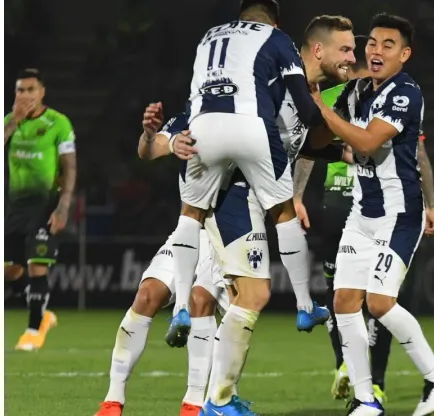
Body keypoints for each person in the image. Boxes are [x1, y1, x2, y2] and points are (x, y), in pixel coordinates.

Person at [199, 12, 362, 416]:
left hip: (260, 198)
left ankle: (219, 399)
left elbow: (309, 146)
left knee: (247, 297)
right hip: (232, 193)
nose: (352, 57)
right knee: (242, 296)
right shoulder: (271, 81)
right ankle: (212, 402)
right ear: (318, 49)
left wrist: (344, 136)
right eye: (345, 50)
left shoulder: (314, 97)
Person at [310, 13, 434, 416]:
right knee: (344, 302)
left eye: (387, 45)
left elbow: (369, 142)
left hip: (399, 215)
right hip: (362, 213)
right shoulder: (355, 90)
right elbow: (321, 136)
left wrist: (322, 110)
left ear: (404, 55)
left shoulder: (406, 92)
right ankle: (366, 399)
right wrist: (309, 106)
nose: (375, 50)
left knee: (378, 303)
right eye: (371, 43)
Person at [164, 0, 330, 351]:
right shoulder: (277, 37)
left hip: (202, 127)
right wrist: (325, 128)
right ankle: (304, 306)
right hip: (252, 125)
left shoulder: (208, 37)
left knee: (190, 214)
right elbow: (302, 100)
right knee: (283, 213)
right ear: (275, 17)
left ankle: (179, 308)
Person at [94, 108, 233, 416]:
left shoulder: (249, 112)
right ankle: (112, 401)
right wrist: (149, 136)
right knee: (146, 295)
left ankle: (194, 404)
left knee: (201, 301)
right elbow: (148, 151)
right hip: (187, 228)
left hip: (223, 231)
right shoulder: (195, 110)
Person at [3, 68, 77, 352]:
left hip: (45, 205)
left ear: (42, 92)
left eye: (30, 90)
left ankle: (34, 330)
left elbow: (69, 168)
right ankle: (44, 315)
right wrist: (13, 123)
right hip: (14, 207)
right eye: (20, 90)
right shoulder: (10, 122)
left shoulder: (58, 123)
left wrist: (63, 206)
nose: (24, 95)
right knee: (9, 270)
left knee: (37, 266)